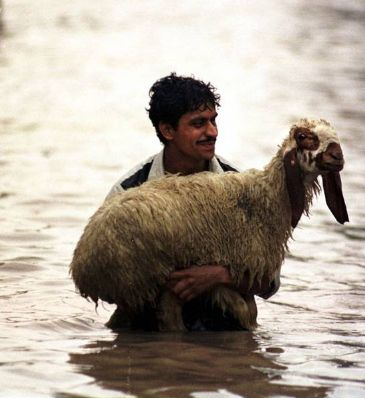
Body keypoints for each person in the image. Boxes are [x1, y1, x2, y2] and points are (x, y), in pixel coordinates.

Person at [105, 73, 280, 331]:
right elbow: (105, 282)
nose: (212, 132)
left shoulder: (241, 188)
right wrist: (157, 277)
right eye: (198, 123)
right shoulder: (129, 192)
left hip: (226, 338)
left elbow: (271, 283)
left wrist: (220, 276)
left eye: (213, 121)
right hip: (150, 339)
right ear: (168, 130)